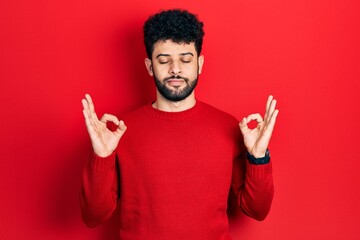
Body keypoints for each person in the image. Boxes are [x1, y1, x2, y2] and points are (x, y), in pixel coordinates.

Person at [80, 9, 279, 240]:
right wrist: (101, 156)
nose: (175, 69)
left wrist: (259, 157)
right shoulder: (119, 132)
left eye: (185, 59)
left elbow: (257, 210)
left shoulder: (228, 127)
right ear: (149, 66)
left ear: (200, 63)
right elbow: (93, 216)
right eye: (164, 60)